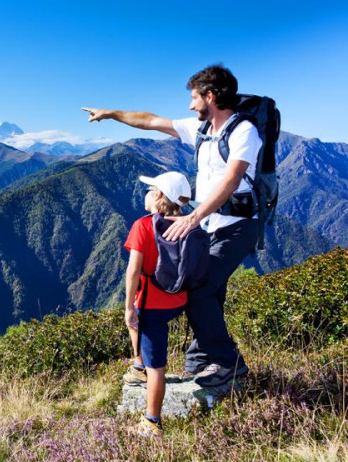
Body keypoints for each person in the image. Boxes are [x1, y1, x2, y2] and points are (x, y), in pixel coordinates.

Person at [82, 64, 260, 387]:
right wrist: (110, 114)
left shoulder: (244, 132)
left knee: (201, 290)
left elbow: (233, 179)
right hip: (209, 226)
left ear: (211, 95)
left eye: (194, 98)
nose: (191, 106)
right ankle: (200, 359)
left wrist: (193, 216)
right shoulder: (202, 130)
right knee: (206, 288)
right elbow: (151, 121)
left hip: (237, 226)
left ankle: (229, 364)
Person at [123, 172, 191, 437]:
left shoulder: (143, 226)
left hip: (152, 304)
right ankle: (139, 364)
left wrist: (129, 307)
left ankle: (152, 422)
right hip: (180, 299)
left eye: (151, 189)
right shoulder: (188, 222)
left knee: (157, 366)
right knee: (138, 324)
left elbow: (132, 271)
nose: (147, 192)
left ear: (160, 196)